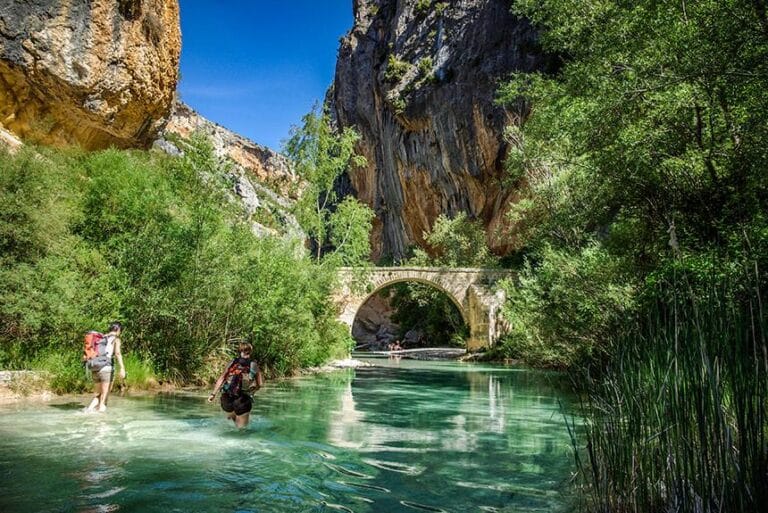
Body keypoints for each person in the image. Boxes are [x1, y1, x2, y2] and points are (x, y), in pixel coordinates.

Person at [208, 342, 263, 428]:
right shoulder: (254, 365)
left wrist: (213, 394)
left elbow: (222, 378)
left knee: (231, 423)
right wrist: (253, 391)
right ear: (250, 351)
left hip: (227, 399)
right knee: (241, 430)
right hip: (242, 400)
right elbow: (260, 384)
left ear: (239, 351)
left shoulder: (232, 362)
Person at [85, 322, 126, 413]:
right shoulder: (116, 339)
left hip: (95, 367)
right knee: (104, 397)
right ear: (118, 330)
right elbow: (118, 353)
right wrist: (122, 368)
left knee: (98, 395)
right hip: (106, 368)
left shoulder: (102, 337)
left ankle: (87, 412)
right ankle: (102, 421)